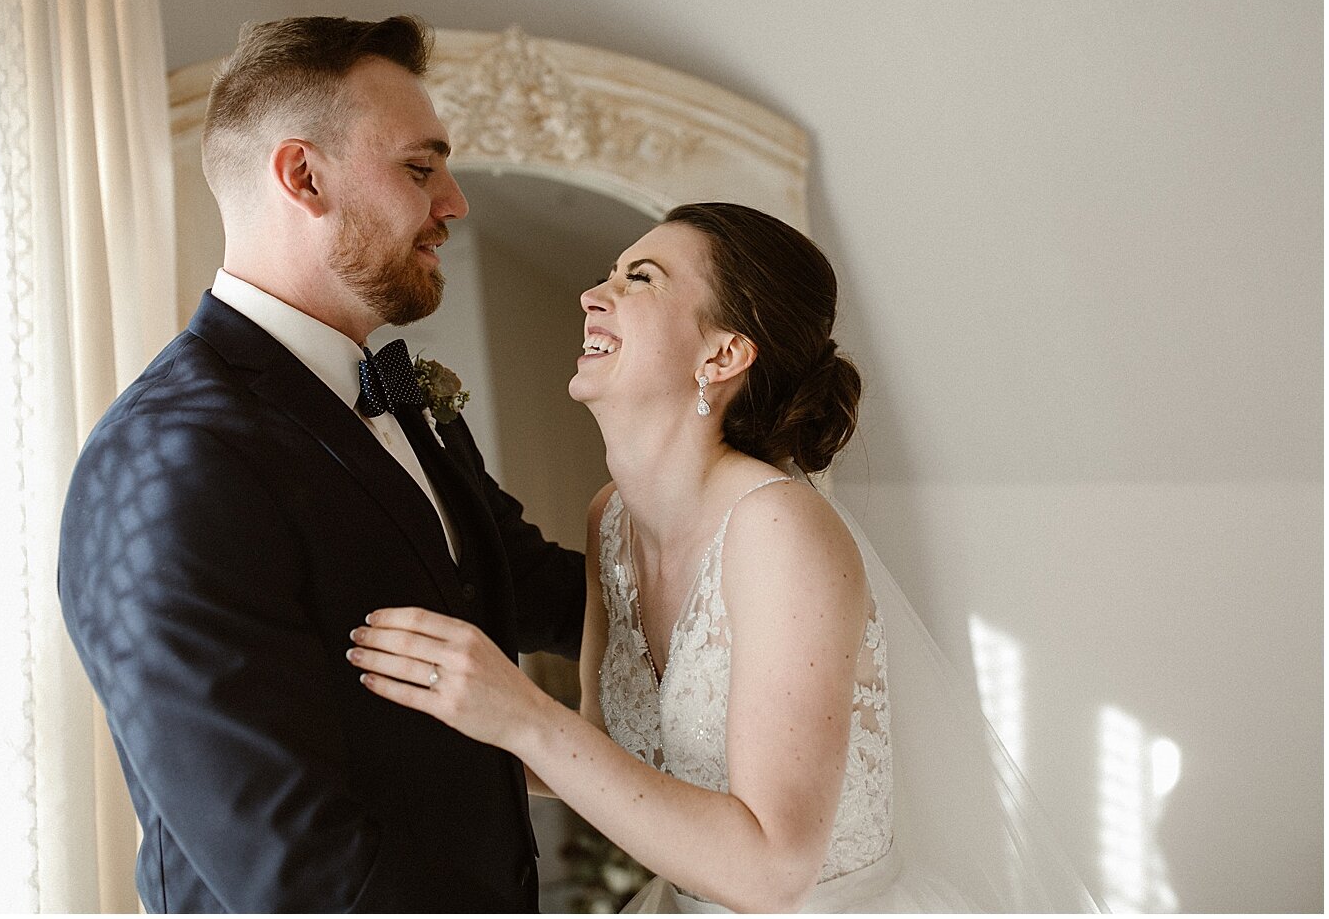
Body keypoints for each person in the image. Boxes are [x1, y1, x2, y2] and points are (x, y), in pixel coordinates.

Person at [350, 203, 1103, 912]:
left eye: (637, 278)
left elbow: (775, 869)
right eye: (611, 273)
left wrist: (520, 715)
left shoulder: (778, 528)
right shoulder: (611, 518)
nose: (591, 294)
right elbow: (606, 757)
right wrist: (399, 741)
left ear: (723, 353)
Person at [57, 15, 586, 913]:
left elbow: (521, 581)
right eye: (421, 169)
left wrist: (751, 589)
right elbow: (287, 863)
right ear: (303, 175)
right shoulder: (169, 457)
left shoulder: (399, 392)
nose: (455, 202)